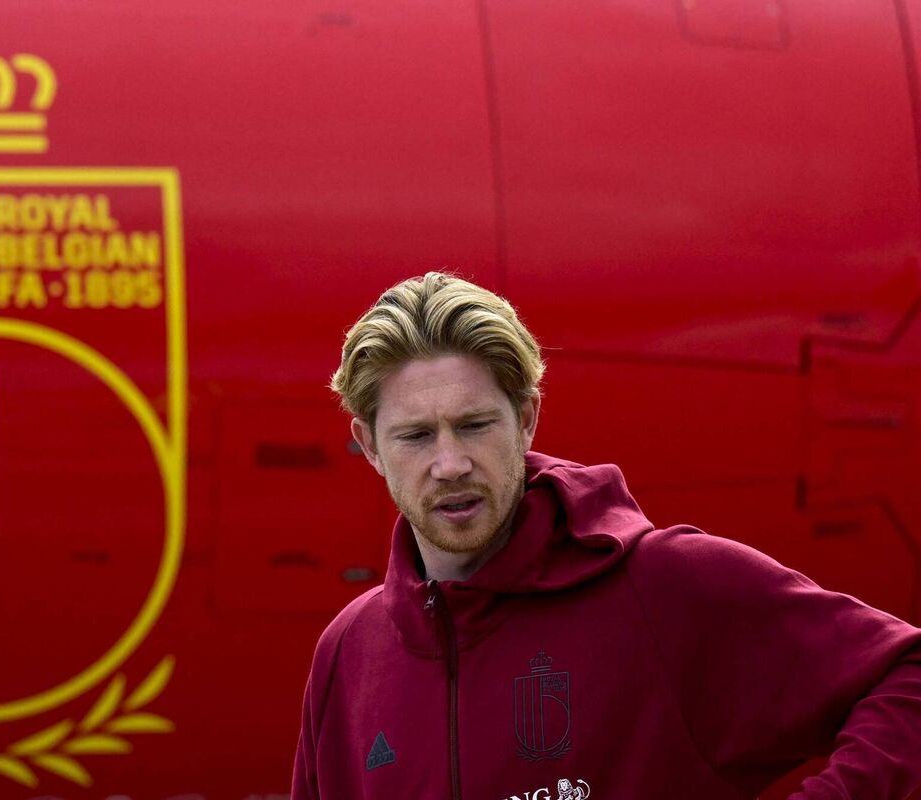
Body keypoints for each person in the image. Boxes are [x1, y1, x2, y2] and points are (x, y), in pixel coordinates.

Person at [290, 272, 921, 799]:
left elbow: (905, 675)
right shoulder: (349, 654)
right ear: (369, 445)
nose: (450, 463)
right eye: (417, 436)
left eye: (475, 425)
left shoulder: (664, 588)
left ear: (527, 419)